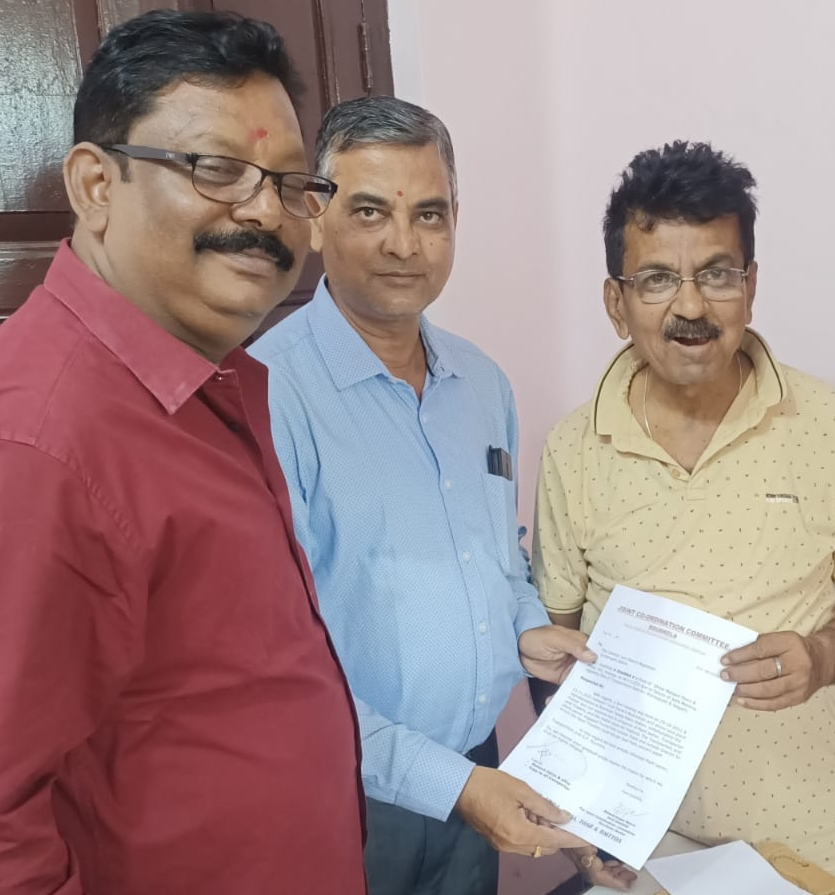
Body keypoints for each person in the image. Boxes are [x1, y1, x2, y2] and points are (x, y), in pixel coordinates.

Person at [0, 10, 366, 894]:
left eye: (288, 182)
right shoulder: (44, 440)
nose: (264, 211)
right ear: (95, 184)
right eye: (214, 167)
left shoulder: (204, 381)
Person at [249, 95, 635, 895]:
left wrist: (525, 629)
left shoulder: (481, 383)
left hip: (475, 774)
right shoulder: (267, 395)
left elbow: (498, 555)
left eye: (429, 214)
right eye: (369, 211)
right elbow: (270, 663)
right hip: (339, 795)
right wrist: (453, 786)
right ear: (315, 218)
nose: (404, 243)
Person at [532, 140, 835, 871]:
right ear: (616, 303)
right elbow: (551, 655)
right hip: (639, 853)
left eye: (717, 274)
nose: (691, 306)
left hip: (808, 843)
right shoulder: (572, 449)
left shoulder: (826, 425)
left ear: (750, 286)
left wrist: (820, 657)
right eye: (657, 279)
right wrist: (579, 819)